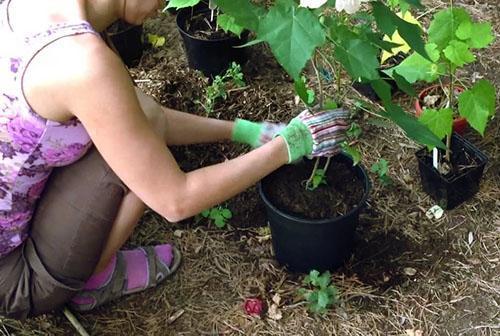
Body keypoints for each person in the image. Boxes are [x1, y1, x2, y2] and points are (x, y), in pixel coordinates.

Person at [0, 0, 349, 319]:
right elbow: (175, 200)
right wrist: (289, 146)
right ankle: (92, 281)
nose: (170, 4)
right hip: (17, 275)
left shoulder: (43, 11)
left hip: (17, 211)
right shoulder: (84, 63)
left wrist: (248, 132)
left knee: (141, 125)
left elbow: (144, 116)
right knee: (145, 163)